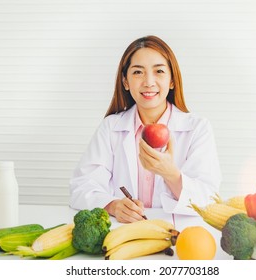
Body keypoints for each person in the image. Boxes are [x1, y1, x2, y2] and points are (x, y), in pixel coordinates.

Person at [69, 35, 221, 223]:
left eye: (159, 71)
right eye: (138, 72)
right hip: (123, 233)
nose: (149, 82)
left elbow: (209, 199)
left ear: (172, 81)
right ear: (125, 82)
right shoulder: (110, 128)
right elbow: (81, 187)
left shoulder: (197, 128)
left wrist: (170, 174)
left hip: (178, 234)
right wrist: (112, 205)